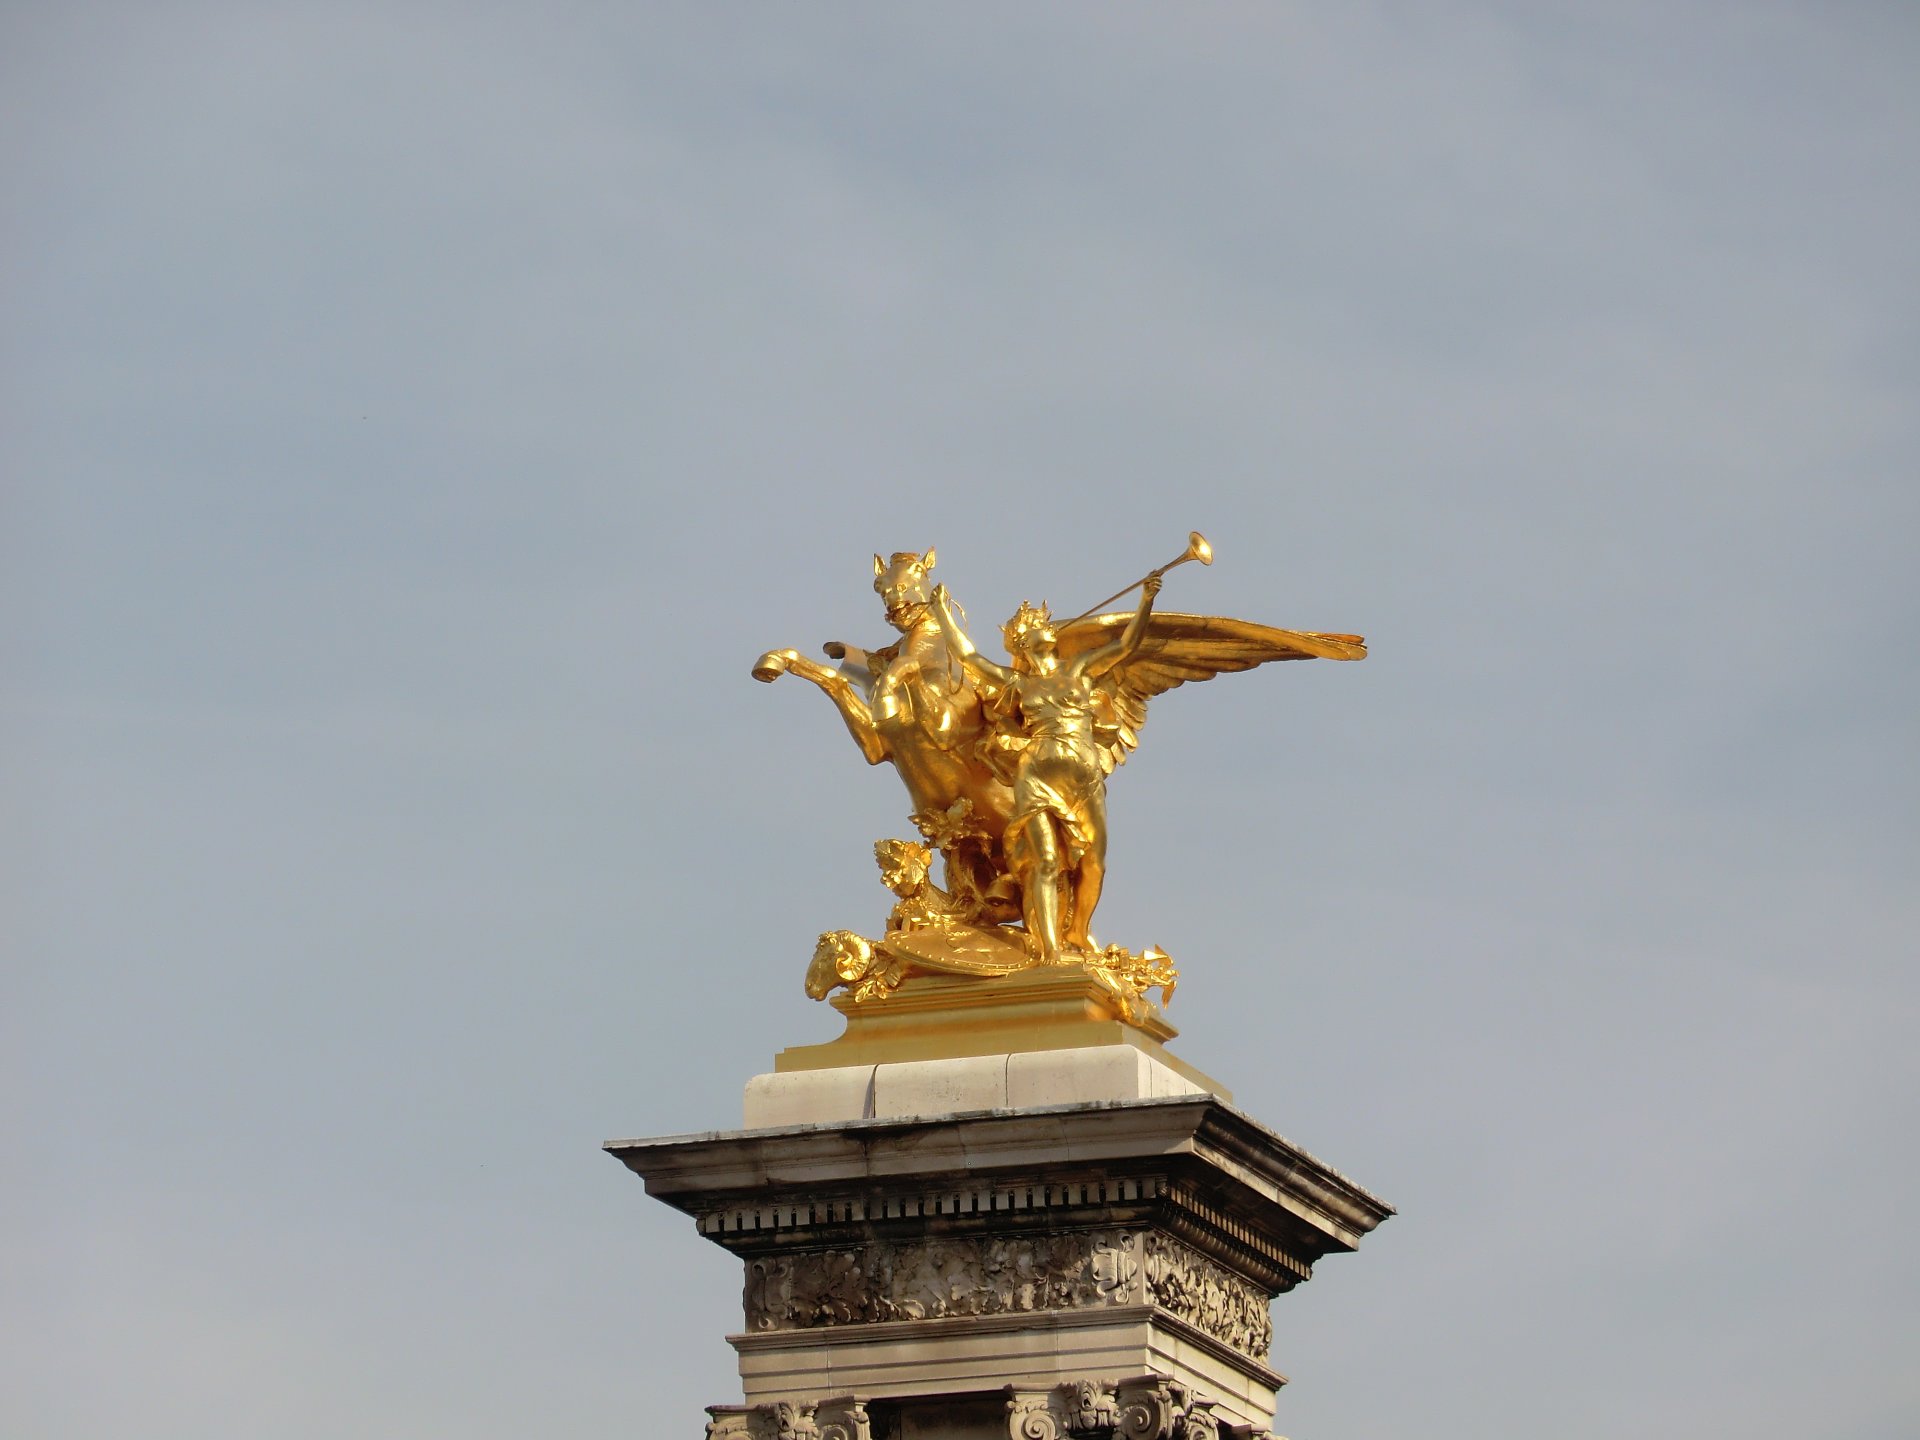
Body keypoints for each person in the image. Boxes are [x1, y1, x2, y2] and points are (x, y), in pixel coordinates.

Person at [927, 574, 1160, 961]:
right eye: (1036, 626)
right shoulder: (1018, 684)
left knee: (1094, 862)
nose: (1047, 628)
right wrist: (940, 613)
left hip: (1084, 778)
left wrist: (1146, 600)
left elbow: (1126, 645)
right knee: (1046, 861)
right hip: (1035, 777)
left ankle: (1078, 932)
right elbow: (969, 658)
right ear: (1022, 641)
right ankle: (1048, 951)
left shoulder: (1080, 668)